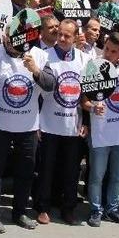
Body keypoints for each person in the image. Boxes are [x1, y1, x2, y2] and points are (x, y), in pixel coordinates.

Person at [0, 29, 56, 233]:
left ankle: (20, 211)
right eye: (10, 39)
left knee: (26, 170)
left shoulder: (39, 55)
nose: (14, 44)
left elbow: (50, 85)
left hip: (28, 125)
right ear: (4, 37)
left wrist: (36, 70)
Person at [81, 32, 119, 227]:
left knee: (118, 176)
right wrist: (92, 107)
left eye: (114, 51)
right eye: (106, 49)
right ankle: (96, 209)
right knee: (97, 175)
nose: (108, 54)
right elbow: (84, 101)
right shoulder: (93, 67)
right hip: (101, 133)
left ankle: (112, 209)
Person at [35, 19, 87, 226]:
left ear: (75, 37)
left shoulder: (84, 58)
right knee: (46, 169)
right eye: (60, 35)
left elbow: (88, 92)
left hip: (73, 125)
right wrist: (36, 121)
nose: (62, 39)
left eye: (67, 36)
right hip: (48, 123)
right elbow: (39, 92)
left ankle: (68, 208)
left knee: (71, 170)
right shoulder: (45, 57)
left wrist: (87, 121)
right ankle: (43, 208)